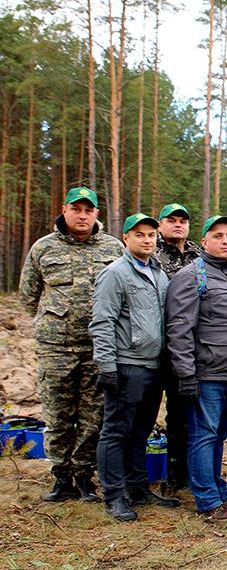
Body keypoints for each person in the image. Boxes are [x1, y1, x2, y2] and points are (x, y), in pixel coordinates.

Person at [19, 186, 124, 503]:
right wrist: (53, 324)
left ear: (96, 214)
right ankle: (60, 477)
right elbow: (28, 297)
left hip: (98, 349)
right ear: (64, 210)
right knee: (58, 416)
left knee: (93, 417)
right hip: (56, 350)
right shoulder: (43, 248)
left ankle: (84, 477)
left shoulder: (113, 248)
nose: (82, 215)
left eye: (88, 210)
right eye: (76, 209)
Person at [165, 216, 227, 522]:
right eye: (217, 236)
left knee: (220, 434)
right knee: (203, 435)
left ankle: (219, 491)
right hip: (208, 374)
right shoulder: (191, 275)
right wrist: (186, 374)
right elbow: (179, 329)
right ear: (204, 242)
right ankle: (207, 500)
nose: (225, 241)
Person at [89, 213, 177, 521]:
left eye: (151, 234)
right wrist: (107, 366)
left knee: (141, 430)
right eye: (139, 234)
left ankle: (138, 487)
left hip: (155, 366)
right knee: (115, 431)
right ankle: (114, 494)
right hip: (127, 364)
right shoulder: (116, 273)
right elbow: (102, 321)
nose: (147, 239)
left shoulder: (159, 273)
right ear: (126, 237)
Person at [153, 202, 201, 493]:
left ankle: (182, 471)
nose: (178, 225)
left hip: (190, 346)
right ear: (160, 225)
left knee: (184, 411)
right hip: (154, 343)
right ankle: (153, 473)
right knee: (148, 413)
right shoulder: (151, 252)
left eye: (182, 220)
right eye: (171, 220)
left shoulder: (198, 255)